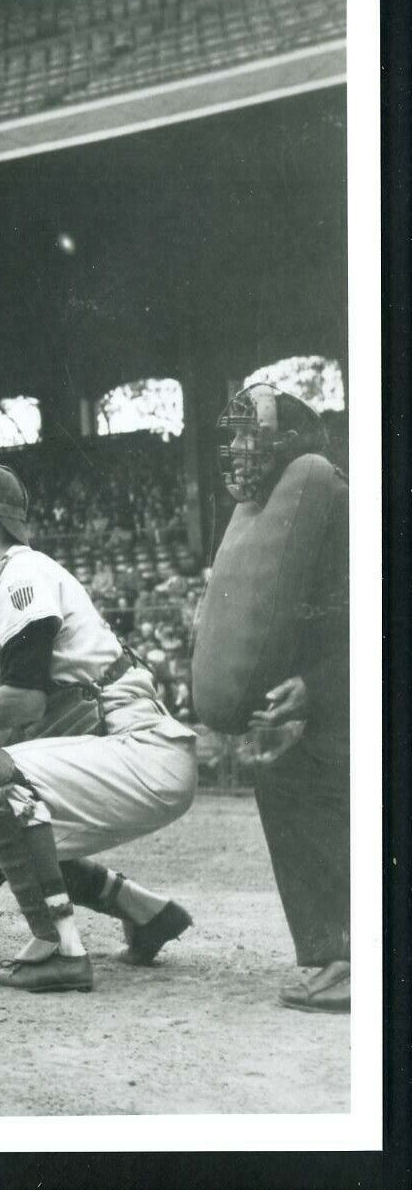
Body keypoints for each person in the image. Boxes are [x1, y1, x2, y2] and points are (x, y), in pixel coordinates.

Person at [0, 460, 197, 994]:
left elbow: (22, 702)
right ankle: (145, 912)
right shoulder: (7, 581)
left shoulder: (23, 572)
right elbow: (14, 729)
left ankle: (60, 949)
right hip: (122, 747)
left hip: (139, 746)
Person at [200, 383, 350, 1013]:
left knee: (302, 783)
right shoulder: (290, 512)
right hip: (346, 705)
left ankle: (344, 957)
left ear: (289, 444)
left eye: (248, 436)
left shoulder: (336, 503)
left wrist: (319, 686)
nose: (236, 449)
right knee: (292, 779)